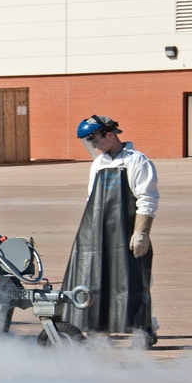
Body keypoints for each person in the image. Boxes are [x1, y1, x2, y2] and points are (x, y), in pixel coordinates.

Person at [60, 115, 159, 346]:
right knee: (96, 279)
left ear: (110, 134)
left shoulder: (137, 161)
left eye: (94, 139)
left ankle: (143, 330)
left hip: (125, 232)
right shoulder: (99, 164)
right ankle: (97, 328)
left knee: (132, 282)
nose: (92, 145)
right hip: (98, 231)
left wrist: (141, 233)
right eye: (88, 141)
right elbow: (91, 199)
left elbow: (147, 197)